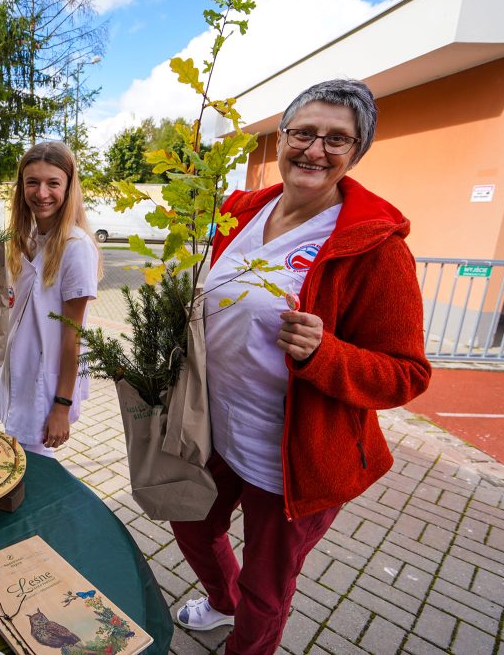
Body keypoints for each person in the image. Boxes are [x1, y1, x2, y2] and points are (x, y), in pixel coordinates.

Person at [170, 79, 431, 653]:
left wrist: (325, 353)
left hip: (294, 453)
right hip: (216, 427)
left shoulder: (373, 245)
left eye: (338, 140)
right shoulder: (243, 212)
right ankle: (221, 602)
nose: (315, 150)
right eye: (304, 133)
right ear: (282, 136)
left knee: (268, 586)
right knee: (190, 523)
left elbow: (408, 373)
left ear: (355, 154)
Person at [0, 141, 102, 456]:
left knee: (36, 473)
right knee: (19, 462)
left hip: (45, 387)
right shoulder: (28, 240)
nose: (42, 193)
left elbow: (72, 338)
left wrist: (61, 407)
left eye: (53, 183)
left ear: (68, 188)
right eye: (32, 182)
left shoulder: (75, 246)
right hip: (20, 377)